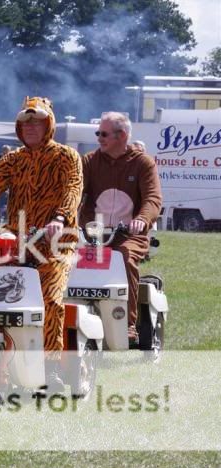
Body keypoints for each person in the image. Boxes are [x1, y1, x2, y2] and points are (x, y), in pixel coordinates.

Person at [0, 96, 83, 392]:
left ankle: (50, 367)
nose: (29, 128)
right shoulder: (12, 160)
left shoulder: (66, 156)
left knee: (50, 298)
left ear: (49, 124)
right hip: (16, 236)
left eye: (36, 122)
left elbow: (73, 188)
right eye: (25, 123)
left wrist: (60, 218)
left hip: (57, 241)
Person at [79, 111, 162, 346]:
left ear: (122, 135)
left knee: (122, 257)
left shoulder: (143, 163)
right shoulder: (90, 161)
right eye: (98, 133)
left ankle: (127, 325)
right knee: (68, 260)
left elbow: (153, 199)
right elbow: (74, 192)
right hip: (93, 234)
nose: (99, 138)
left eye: (103, 134)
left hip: (129, 235)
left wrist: (142, 220)